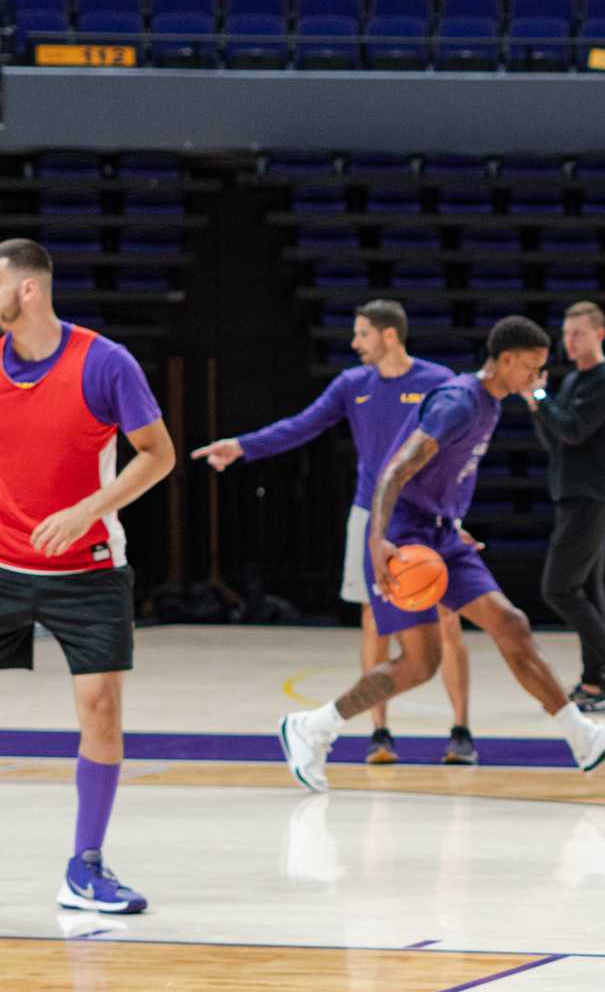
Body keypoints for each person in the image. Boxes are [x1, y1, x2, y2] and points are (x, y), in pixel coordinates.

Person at [276, 317, 605, 789]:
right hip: (404, 534)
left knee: (510, 623)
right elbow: (396, 469)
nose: (535, 378)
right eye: (531, 367)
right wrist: (377, 541)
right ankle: (313, 727)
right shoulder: (459, 401)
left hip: (443, 534)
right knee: (419, 664)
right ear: (506, 359)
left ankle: (584, 739)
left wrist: (453, 521)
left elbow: (450, 475)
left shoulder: (490, 404)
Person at [192, 300, 477, 766]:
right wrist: (243, 446)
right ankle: (379, 733)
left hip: (428, 515)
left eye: (362, 333)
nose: (353, 343)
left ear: (389, 336)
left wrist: (457, 517)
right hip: (373, 517)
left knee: (446, 616)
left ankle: (461, 730)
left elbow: (462, 455)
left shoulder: (437, 382)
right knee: (374, 621)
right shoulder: (353, 385)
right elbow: (302, 426)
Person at [0, 238, 176, 914]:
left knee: (100, 708)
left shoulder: (105, 364)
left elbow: (156, 456)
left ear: (29, 291)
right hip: (5, 560)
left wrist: (87, 510)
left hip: (88, 564)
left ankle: (86, 867)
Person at [526, 300, 605, 711]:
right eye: (566, 334)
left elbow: (572, 430)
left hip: (594, 495)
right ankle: (595, 682)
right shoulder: (573, 380)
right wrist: (537, 404)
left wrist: (539, 394)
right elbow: (555, 441)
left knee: (558, 587)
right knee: (588, 587)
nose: (569, 342)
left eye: (578, 334)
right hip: (572, 492)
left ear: (599, 334)